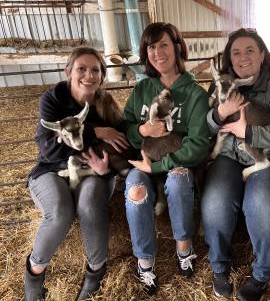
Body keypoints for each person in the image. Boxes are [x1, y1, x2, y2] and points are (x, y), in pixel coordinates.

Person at [201, 28, 270, 301]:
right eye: (236, 52)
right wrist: (216, 116)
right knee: (216, 201)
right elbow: (202, 130)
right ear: (228, 59)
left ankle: (263, 273)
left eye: (250, 50)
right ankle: (219, 266)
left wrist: (249, 133)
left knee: (261, 203)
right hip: (229, 156)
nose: (243, 57)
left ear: (262, 55)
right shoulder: (220, 84)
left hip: (269, 155)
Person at [24, 47, 129, 301]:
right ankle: (35, 273)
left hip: (93, 172)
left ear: (102, 75)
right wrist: (96, 132)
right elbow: (49, 150)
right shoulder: (53, 99)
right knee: (60, 212)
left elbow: (121, 148)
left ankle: (95, 271)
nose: (88, 75)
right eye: (81, 69)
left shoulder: (108, 105)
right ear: (69, 72)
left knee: (90, 205)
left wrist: (107, 171)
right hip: (51, 169)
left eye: (95, 70)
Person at [123, 22, 210, 295]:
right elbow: (124, 127)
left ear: (177, 47)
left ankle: (184, 249)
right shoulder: (141, 90)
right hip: (144, 158)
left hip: (173, 163)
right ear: (145, 52)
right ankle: (145, 262)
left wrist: (158, 167)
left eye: (164, 45)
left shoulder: (195, 94)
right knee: (136, 192)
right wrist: (142, 130)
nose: (158, 52)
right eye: (151, 47)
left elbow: (197, 145)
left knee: (179, 180)